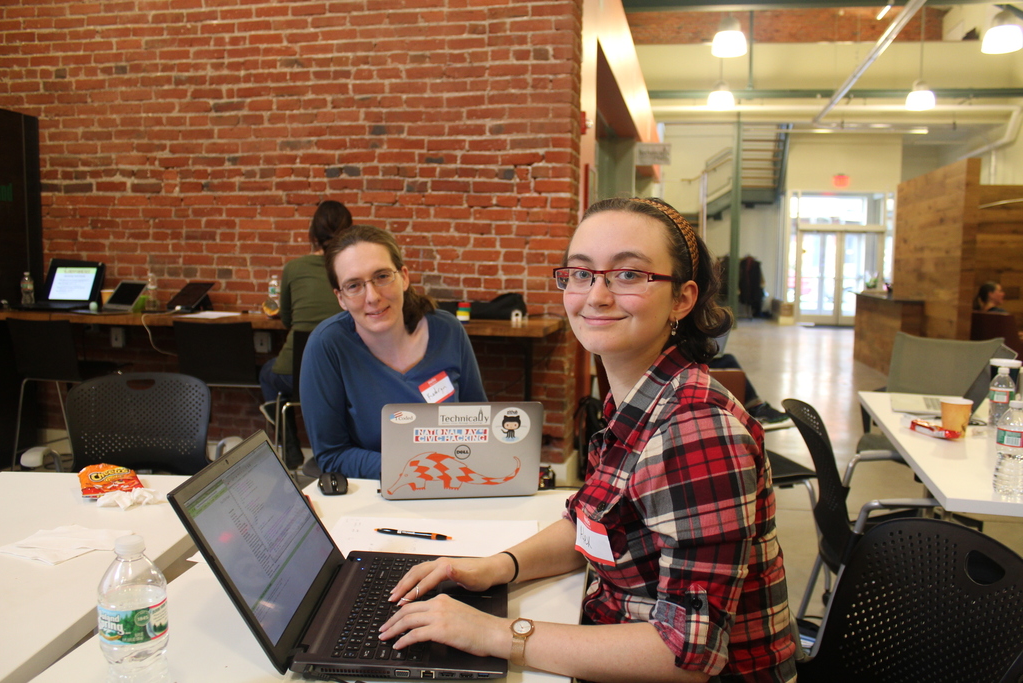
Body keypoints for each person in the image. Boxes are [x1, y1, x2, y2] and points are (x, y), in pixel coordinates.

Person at [380, 197, 797, 682]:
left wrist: (496, 633)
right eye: (580, 274)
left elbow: (685, 655)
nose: (595, 296)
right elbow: (591, 524)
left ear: (682, 299)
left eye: (628, 275)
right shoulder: (639, 399)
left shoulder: (696, 429)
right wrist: (492, 568)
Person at [301, 224, 487, 479]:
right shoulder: (327, 346)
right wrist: (419, 470)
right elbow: (331, 455)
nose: (372, 296)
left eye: (382, 276)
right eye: (354, 285)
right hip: (375, 495)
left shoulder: (448, 331)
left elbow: (481, 425)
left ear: (404, 277)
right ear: (340, 298)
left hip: (455, 482)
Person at [259, 200, 351, 468]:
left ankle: (290, 452)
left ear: (313, 234)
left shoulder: (294, 268)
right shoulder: (350, 269)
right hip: (344, 371)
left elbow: (286, 319)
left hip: (295, 372)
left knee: (268, 373)